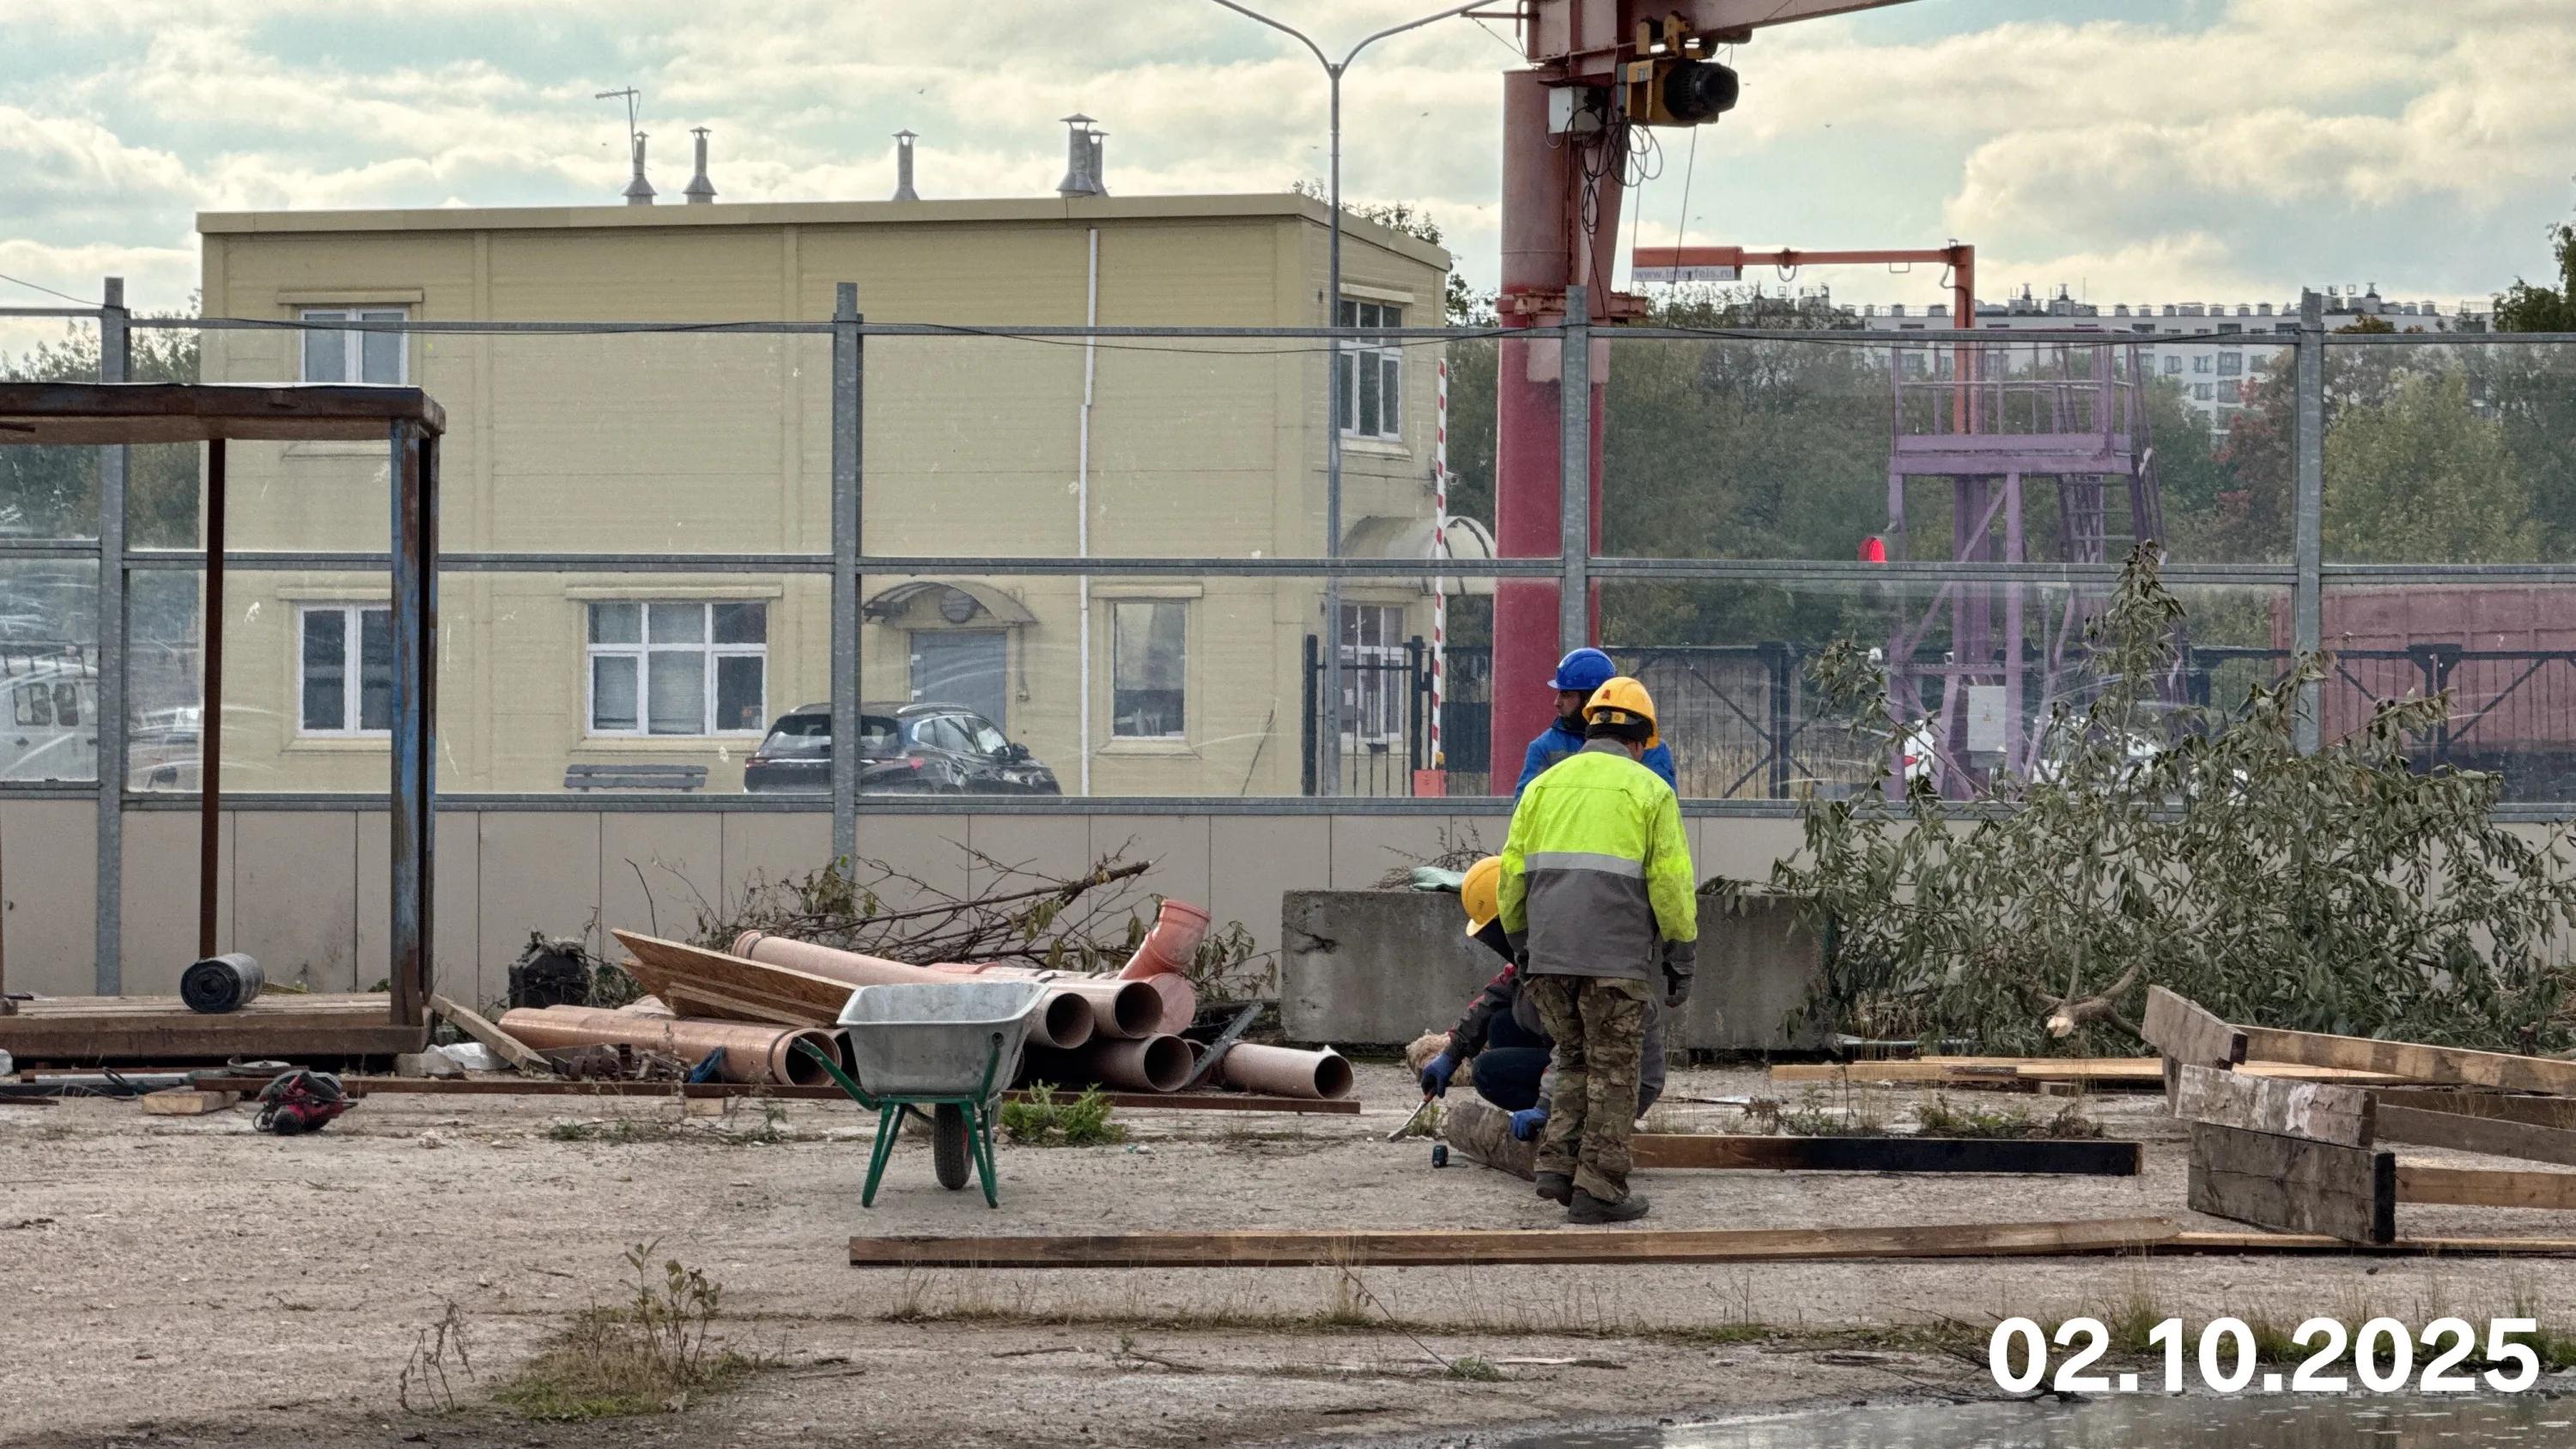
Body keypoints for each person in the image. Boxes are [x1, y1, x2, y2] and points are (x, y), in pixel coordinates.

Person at [1497, 677, 1697, 1224]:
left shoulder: (1544, 787)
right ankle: (1600, 1189)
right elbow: (1672, 884)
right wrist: (1681, 956)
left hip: (1549, 957)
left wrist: (1523, 947)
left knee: (1575, 1060)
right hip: (1614, 962)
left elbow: (1511, 876)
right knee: (1614, 1072)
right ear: (1640, 740)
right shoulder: (1649, 792)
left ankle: (1557, 1167)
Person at [1417, 855, 1664, 1139]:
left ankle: (1567, 1124)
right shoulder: (1540, 950)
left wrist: (1545, 1105)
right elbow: (1494, 997)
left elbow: (1573, 1039)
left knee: (1488, 1071)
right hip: (1588, 1058)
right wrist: (1452, 1054)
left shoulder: (1566, 964)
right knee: (1500, 1023)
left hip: (1623, 1077)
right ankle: (1562, 1114)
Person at [1515, 647, 1676, 797]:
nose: (1556, 702)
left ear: (1592, 698)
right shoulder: (1543, 748)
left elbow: (1662, 805)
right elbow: (1525, 809)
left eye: (1566, 694)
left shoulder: (1648, 746)